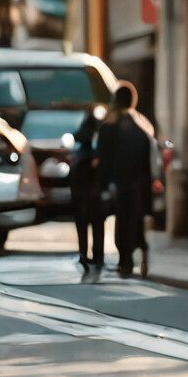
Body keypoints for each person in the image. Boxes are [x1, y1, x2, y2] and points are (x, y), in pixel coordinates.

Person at [95, 81, 154, 279]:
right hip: (138, 183)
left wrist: (104, 185)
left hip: (119, 184)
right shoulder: (142, 127)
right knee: (135, 222)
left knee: (123, 221)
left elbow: (104, 159)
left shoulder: (109, 127)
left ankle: (125, 261)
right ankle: (136, 256)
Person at [70, 105, 105, 281]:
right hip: (93, 191)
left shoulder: (78, 147)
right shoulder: (96, 142)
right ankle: (97, 255)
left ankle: (84, 253)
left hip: (80, 191)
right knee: (97, 224)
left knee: (82, 224)